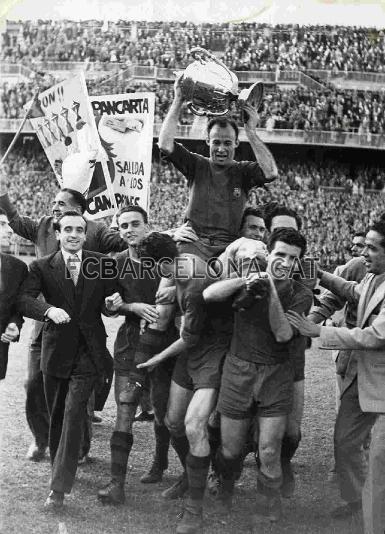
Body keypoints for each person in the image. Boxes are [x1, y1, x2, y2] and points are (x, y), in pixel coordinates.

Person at [0, 176, 125, 461]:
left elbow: (120, 243)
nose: (55, 207)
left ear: (79, 211)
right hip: (44, 322)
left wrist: (123, 223)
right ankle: (41, 439)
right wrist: (3, 193)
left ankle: (78, 447)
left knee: (77, 395)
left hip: (81, 329)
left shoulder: (95, 231)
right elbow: (17, 220)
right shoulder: (45, 225)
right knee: (33, 385)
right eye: (54, 202)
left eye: (61, 203)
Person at [203, 228, 313, 524]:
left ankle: (268, 505)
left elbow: (282, 334)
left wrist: (272, 290)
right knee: (231, 448)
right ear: (268, 253)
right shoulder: (247, 278)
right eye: (280, 255)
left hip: (277, 374)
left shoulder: (301, 294)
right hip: (238, 370)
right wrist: (247, 280)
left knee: (269, 449)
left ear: (299, 262)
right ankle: (225, 490)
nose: (285, 263)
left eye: (293, 259)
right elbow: (208, 294)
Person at [18, 211, 122, 509]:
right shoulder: (41, 266)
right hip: (55, 353)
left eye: (80, 229)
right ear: (58, 233)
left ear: (85, 234)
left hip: (89, 353)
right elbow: (25, 300)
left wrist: (112, 305)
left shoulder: (102, 263)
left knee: (74, 414)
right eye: (68, 230)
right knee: (58, 418)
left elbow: (110, 304)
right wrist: (48, 311)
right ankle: (59, 472)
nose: (74, 234)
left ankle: (58, 489)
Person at [287, 220, 385, 534]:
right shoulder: (373, 275)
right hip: (362, 376)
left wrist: (319, 331)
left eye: (372, 248)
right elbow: (353, 290)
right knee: (345, 442)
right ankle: (356, 501)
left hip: (381, 380)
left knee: (380, 464)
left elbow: (374, 337)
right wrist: (322, 274)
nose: (363, 254)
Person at [98, 206, 177, 505]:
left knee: (164, 409)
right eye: (124, 226)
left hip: (165, 341)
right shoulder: (113, 263)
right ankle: (116, 482)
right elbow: (106, 306)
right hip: (130, 342)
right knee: (125, 407)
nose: (129, 229)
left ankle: (160, 462)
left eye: (135, 224)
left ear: (147, 226)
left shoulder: (164, 259)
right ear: (118, 231)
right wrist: (124, 305)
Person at [158, 75, 278, 260]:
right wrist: (178, 100)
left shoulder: (243, 170)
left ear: (237, 143)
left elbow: (270, 172)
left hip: (228, 246)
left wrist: (251, 131)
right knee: (186, 279)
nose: (221, 149)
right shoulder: (197, 164)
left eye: (227, 143)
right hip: (193, 241)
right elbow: (165, 144)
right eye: (216, 142)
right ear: (208, 142)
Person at [0, 209, 28, 380]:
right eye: (2, 225)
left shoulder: (17, 268)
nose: (10, 230)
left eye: (9, 225)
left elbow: (18, 308)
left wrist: (14, 324)